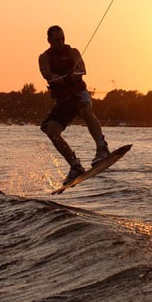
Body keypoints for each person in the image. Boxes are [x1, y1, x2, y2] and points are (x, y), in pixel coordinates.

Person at [39, 25, 110, 185]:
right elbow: (46, 73)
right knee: (51, 131)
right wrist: (56, 77)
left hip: (78, 94)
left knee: (85, 110)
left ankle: (102, 148)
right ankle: (75, 165)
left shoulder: (73, 52)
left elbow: (83, 70)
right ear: (49, 40)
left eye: (63, 38)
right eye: (57, 40)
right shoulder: (44, 57)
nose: (61, 42)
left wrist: (73, 75)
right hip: (63, 101)